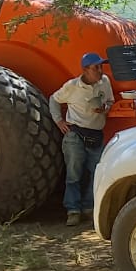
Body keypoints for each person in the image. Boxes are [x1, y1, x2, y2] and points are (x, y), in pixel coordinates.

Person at [50, 52, 115, 227]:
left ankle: (88, 207)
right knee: (74, 174)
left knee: (96, 173)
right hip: (75, 134)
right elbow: (54, 99)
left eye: (101, 67)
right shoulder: (72, 86)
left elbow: (110, 101)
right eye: (96, 68)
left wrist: (105, 108)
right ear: (85, 70)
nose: (100, 71)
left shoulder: (105, 82)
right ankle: (73, 210)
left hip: (96, 134)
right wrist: (59, 121)